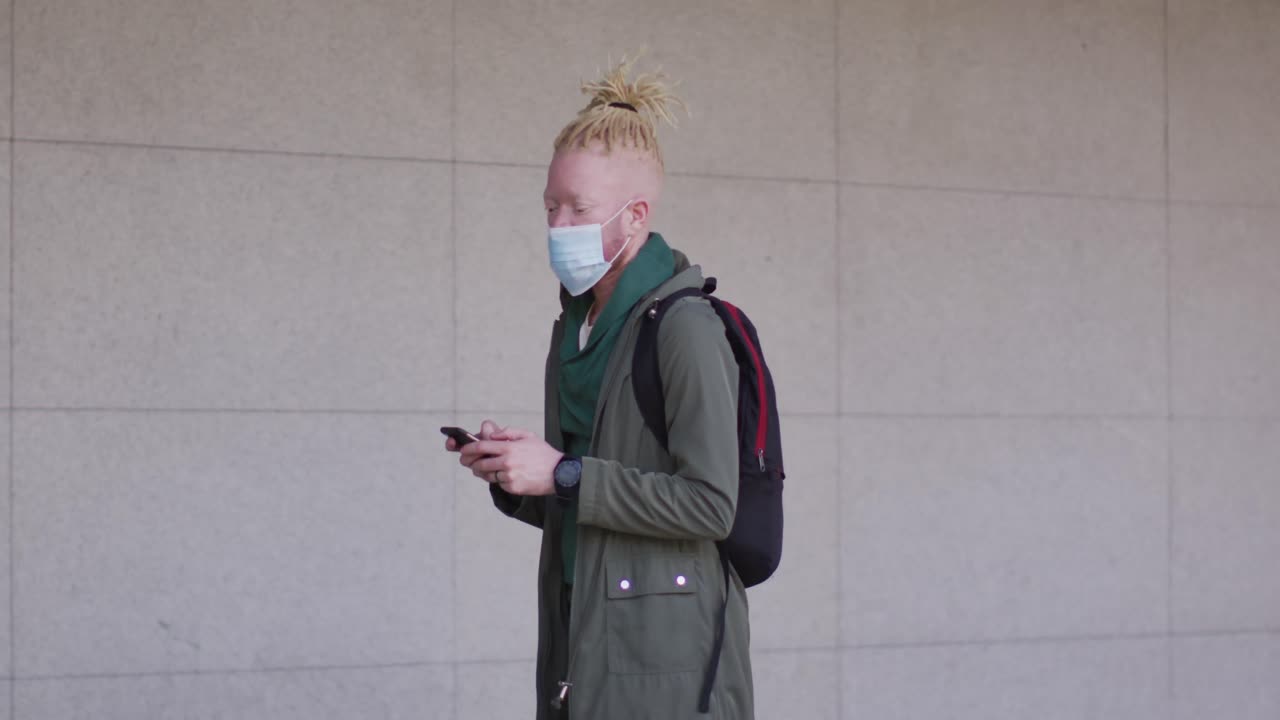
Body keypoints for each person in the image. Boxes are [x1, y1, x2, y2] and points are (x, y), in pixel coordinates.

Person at [447, 57, 753, 719]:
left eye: (578, 208)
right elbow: (588, 496)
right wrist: (516, 476)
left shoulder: (684, 328)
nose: (558, 225)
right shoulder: (575, 326)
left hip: (665, 660)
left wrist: (561, 473)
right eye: (550, 206)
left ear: (635, 216)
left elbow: (710, 506)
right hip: (578, 633)